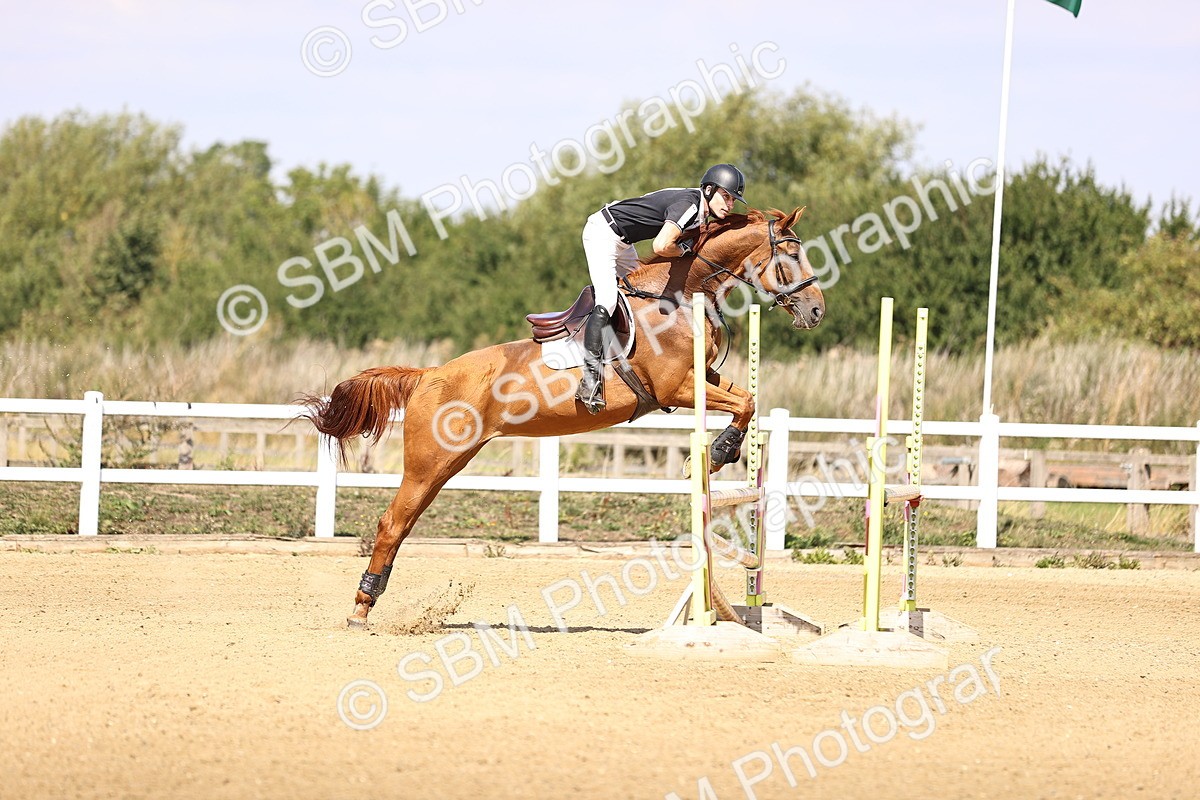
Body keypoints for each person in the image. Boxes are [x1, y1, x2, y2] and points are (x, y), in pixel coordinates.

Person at [575, 163, 747, 414]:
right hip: (602, 233)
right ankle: (590, 379)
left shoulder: (698, 210)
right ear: (709, 190)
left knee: (642, 296)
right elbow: (661, 245)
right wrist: (683, 251)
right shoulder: (690, 206)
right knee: (609, 300)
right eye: (727, 197)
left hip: (623, 241)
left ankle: (654, 373)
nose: (730, 205)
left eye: (733, 200)